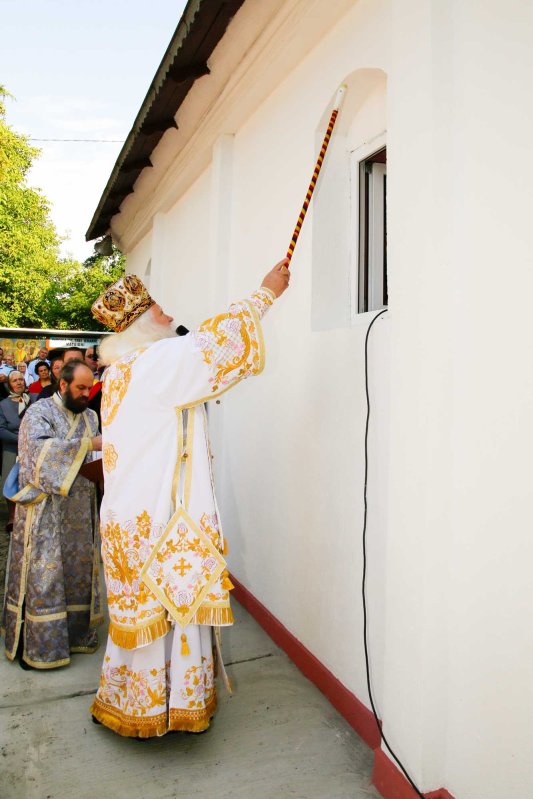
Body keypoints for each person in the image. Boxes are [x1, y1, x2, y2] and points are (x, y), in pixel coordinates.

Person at [89, 262, 290, 738]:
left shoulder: (121, 372)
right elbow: (211, 346)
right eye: (157, 308)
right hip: (159, 518)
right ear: (140, 323)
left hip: (127, 517)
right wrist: (265, 293)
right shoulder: (152, 364)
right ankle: (166, 709)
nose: (167, 311)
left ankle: (132, 702)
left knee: (143, 617)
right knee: (168, 609)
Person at [2, 361, 104, 669]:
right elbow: (38, 458)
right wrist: (88, 444)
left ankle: (75, 636)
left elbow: (95, 454)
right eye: (80, 388)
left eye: (89, 388)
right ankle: (38, 646)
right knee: (44, 578)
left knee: (77, 577)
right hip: (45, 512)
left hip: (79, 511)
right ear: (63, 385)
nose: (87, 394)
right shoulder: (39, 413)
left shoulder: (91, 416)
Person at [0, 371, 34, 532]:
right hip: (12, 448)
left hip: (33, 446)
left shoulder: (34, 399)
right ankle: (13, 516)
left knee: (31, 480)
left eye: (21, 379)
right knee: (9, 480)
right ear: (9, 384)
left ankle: (30, 514)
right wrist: (20, 439)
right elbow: (1, 429)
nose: (19, 383)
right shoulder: (3, 405)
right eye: (15, 380)